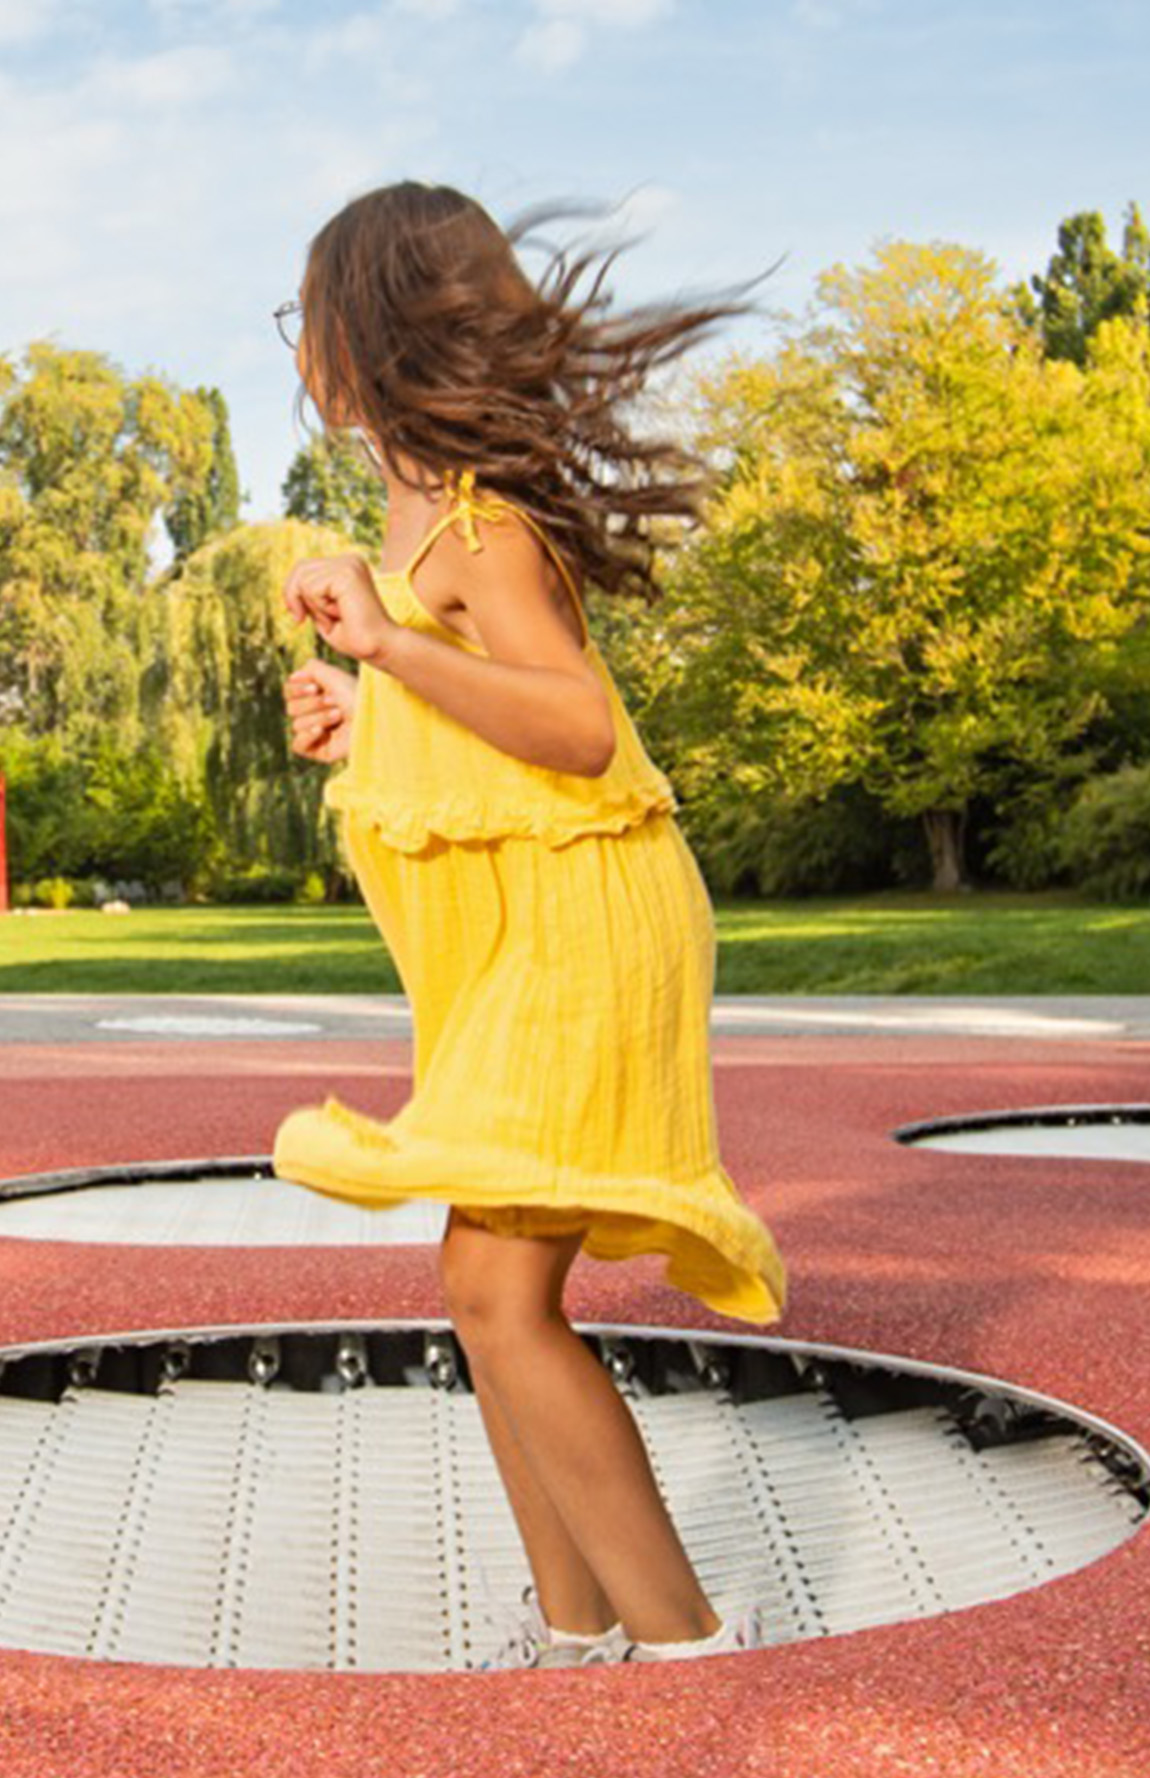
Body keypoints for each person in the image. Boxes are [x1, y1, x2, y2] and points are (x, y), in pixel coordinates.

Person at [269, 181, 783, 1668]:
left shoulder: (480, 520)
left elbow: (573, 727)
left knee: (495, 1288)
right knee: (483, 1287)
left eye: (307, 317)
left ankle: (686, 1645)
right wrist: (369, 710)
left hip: (586, 926)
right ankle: (572, 1635)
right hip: (532, 930)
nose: (299, 346)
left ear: (364, 329)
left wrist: (380, 643)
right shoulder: (422, 498)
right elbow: (480, 732)